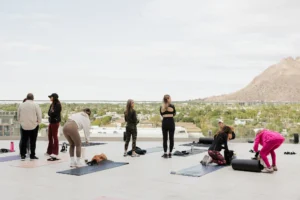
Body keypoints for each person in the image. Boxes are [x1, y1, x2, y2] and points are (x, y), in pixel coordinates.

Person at [17, 93, 42, 160]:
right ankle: (32, 155)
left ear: (27, 98)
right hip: (33, 125)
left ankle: (23, 155)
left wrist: (21, 122)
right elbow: (39, 115)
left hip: (24, 126)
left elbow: (18, 115)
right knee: (33, 141)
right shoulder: (35, 105)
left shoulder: (21, 105)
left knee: (23, 140)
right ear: (33, 98)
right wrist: (38, 122)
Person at [46, 93, 62, 159]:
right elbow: (49, 113)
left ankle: (55, 152)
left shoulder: (58, 105)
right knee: (50, 136)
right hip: (51, 122)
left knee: (55, 137)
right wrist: (51, 113)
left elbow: (54, 113)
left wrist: (51, 113)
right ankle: (49, 151)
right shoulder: (52, 104)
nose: (50, 98)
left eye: (51, 97)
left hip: (55, 122)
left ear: (54, 97)